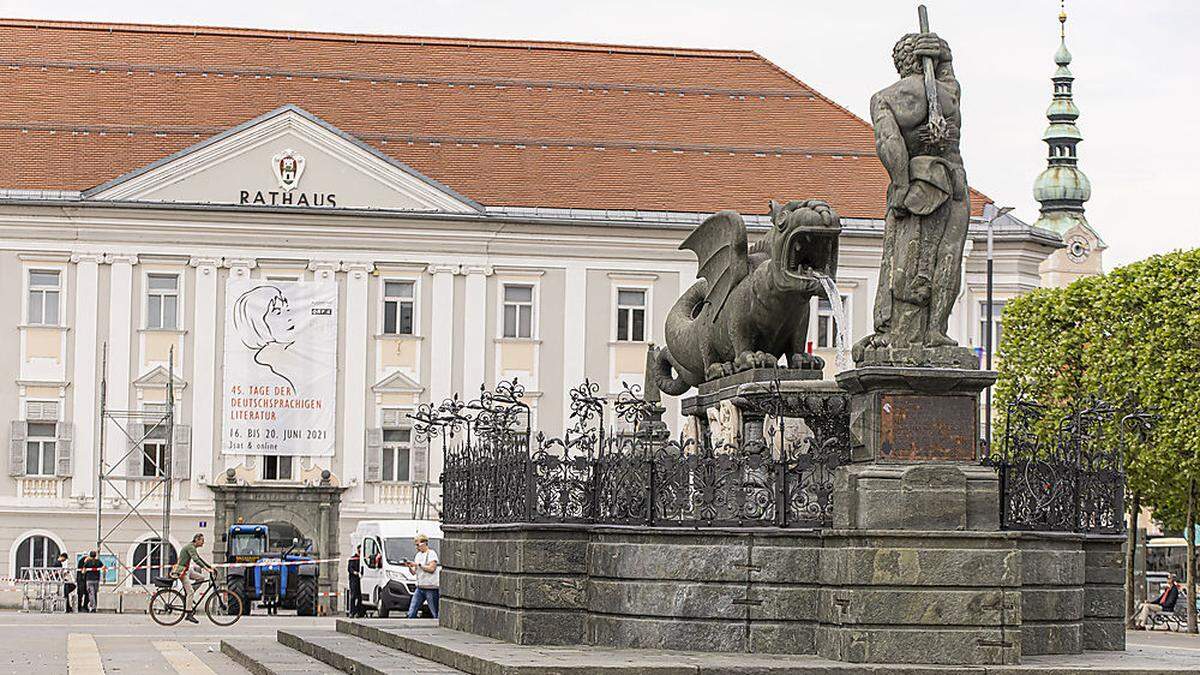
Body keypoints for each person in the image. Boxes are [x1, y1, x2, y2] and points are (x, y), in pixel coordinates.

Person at [171, 533, 214, 624]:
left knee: (201, 578)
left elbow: (199, 558)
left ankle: (188, 595)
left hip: (188, 570)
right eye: (202, 540)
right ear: (197, 540)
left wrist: (209, 566)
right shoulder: (190, 547)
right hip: (182, 571)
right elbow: (196, 560)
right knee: (191, 592)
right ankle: (189, 614)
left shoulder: (192, 547)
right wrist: (206, 569)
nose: (203, 542)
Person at [405, 534, 440, 618]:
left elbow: (432, 569)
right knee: (411, 611)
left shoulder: (431, 553)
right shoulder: (418, 555)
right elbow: (414, 572)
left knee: (434, 611)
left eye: (418, 545)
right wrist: (410, 566)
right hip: (420, 587)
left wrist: (418, 565)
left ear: (424, 543)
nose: (417, 547)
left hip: (431, 587)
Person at [347, 545, 364, 618]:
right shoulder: (353, 558)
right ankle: (352, 612)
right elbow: (350, 569)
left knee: (360, 597)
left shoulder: (363, 558)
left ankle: (359, 612)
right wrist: (355, 572)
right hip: (354, 579)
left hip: (361, 579)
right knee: (353, 596)